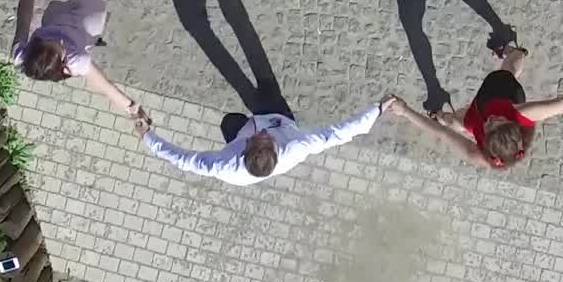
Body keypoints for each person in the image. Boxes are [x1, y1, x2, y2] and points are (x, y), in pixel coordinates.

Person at [384, 43, 563, 168]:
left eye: (489, 125)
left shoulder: (477, 155)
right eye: (498, 120)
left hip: (474, 114)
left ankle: (443, 116)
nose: (490, 119)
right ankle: (518, 52)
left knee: (455, 123)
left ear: (486, 146)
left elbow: (442, 134)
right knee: (508, 70)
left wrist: (405, 111)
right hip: (502, 93)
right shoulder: (519, 114)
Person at [11, 0, 145, 122]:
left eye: (50, 41)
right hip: (83, 25)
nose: (60, 41)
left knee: (59, 7)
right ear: (63, 63)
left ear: (35, 45)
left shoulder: (21, 55)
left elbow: (25, 13)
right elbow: (102, 84)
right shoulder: (77, 61)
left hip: (57, 20)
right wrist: (130, 107)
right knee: (88, 1)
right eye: (60, 48)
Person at [137, 95, 389, 185]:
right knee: (266, 89)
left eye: (259, 138)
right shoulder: (296, 145)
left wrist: (147, 135)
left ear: (244, 148)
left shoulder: (223, 164)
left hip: (249, 126)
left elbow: (183, 160)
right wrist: (378, 109)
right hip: (278, 115)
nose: (264, 133)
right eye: (266, 139)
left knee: (229, 122)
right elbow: (337, 134)